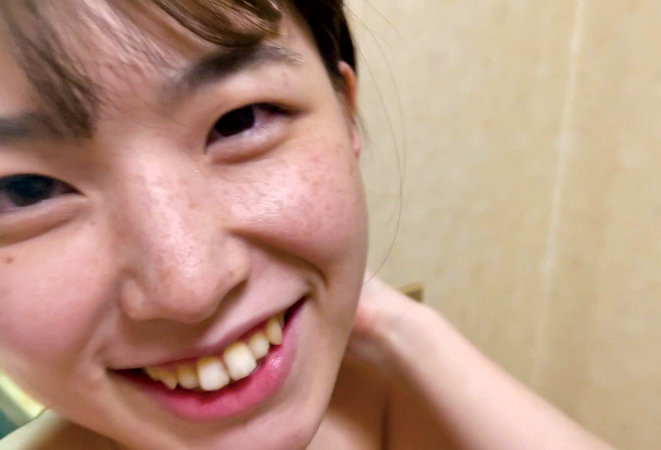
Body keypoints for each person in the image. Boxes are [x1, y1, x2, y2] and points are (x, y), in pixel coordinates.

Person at [0, 1, 611, 448]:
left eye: (239, 120)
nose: (191, 287)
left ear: (346, 112)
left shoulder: (392, 410)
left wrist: (400, 325)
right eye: (25, 191)